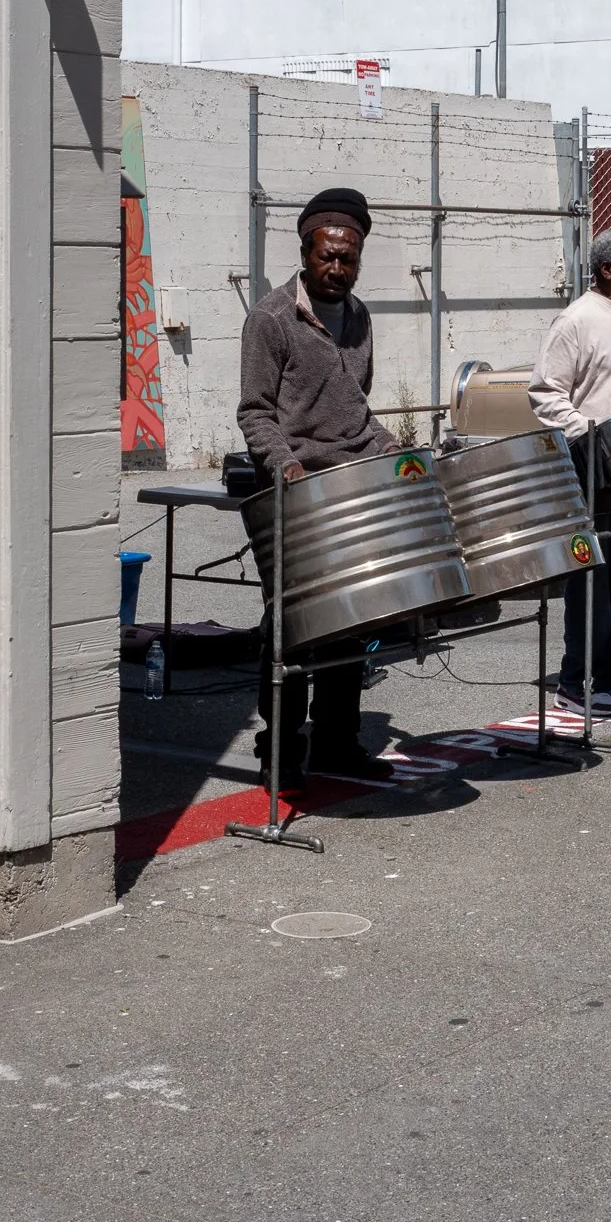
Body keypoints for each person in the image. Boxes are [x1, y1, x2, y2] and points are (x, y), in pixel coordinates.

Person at [237, 185, 399, 787]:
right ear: (305, 252)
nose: (337, 268)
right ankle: (279, 745)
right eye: (326, 256)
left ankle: (336, 741)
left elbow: (357, 406)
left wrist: (388, 447)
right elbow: (255, 411)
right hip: (296, 489)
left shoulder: (358, 317)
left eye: (348, 258)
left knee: (354, 615)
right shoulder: (271, 318)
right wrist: (287, 467)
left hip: (352, 483)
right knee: (293, 621)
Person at [528, 224, 611, 710]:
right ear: (608, 269)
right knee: (591, 581)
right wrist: (587, 431)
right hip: (591, 468)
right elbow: (544, 393)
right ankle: (574, 683)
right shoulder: (578, 320)